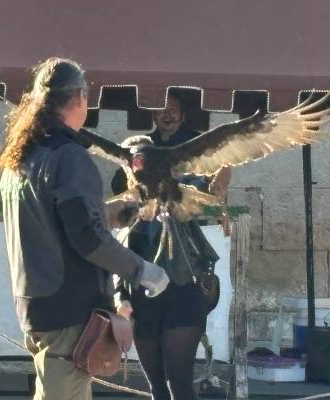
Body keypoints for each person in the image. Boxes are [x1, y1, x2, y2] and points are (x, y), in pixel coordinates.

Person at [0, 57, 169, 400]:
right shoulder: (69, 156)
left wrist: (108, 212)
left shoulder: (21, 157)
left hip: (36, 303)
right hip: (69, 310)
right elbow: (87, 239)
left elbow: (51, 220)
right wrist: (142, 270)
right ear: (78, 98)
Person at [111, 92, 231, 400]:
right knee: (156, 387)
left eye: (174, 109)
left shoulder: (197, 146)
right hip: (143, 279)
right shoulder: (139, 148)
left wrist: (219, 182)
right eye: (162, 110)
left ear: (183, 114)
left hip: (183, 279)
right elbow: (118, 204)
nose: (167, 115)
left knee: (180, 383)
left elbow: (210, 193)